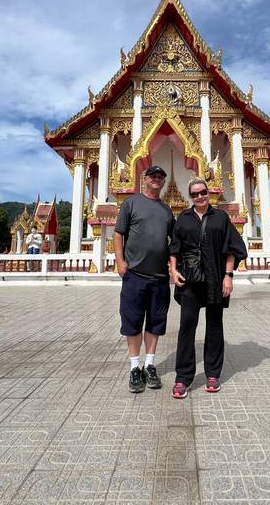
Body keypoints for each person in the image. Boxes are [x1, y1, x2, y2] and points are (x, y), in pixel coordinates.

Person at [169, 177, 247, 398]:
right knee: (187, 327)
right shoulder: (183, 219)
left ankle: (212, 373)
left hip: (215, 278)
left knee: (214, 326)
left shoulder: (220, 217)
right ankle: (183, 377)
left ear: (208, 192)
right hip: (190, 281)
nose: (199, 197)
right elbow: (174, 248)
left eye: (202, 192)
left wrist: (228, 276)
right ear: (190, 197)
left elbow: (232, 248)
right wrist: (173, 271)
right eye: (194, 194)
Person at [114, 165, 175, 393]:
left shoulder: (167, 210)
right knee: (132, 322)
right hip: (135, 275)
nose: (156, 180)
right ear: (145, 179)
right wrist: (120, 263)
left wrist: (174, 268)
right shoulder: (131, 203)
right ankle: (134, 367)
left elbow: (174, 242)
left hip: (159, 277)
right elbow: (119, 234)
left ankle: (149, 364)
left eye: (160, 177)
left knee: (155, 323)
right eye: (153, 176)